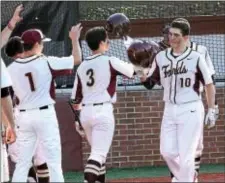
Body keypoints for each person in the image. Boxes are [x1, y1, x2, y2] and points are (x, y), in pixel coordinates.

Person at [141, 18, 216, 182]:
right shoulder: (161, 57)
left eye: (176, 35)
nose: (171, 38)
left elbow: (209, 84)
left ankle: (185, 178)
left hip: (191, 108)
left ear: (186, 37)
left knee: (187, 155)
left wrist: (212, 109)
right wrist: (140, 72)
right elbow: (150, 82)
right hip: (169, 108)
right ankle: (188, 177)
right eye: (170, 34)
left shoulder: (196, 56)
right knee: (166, 152)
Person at [7, 23, 82, 182]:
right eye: (41, 43)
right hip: (44, 114)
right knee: (54, 162)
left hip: (23, 116)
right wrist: (74, 40)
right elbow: (77, 59)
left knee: (22, 163)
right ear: (35, 44)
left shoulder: (11, 68)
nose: (42, 45)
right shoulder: (47, 62)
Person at [70, 26, 134, 183]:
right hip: (103, 111)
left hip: (85, 114)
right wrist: (139, 57)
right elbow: (131, 72)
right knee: (98, 155)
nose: (109, 42)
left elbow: (74, 99)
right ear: (101, 43)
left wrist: (77, 119)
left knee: (98, 156)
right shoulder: (110, 61)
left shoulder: (82, 66)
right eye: (107, 40)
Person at [4, 36, 50, 183]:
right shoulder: (39, 63)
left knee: (23, 162)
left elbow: (5, 100)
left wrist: (7, 125)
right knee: (41, 160)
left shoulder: (8, 70)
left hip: (18, 117)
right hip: (39, 114)